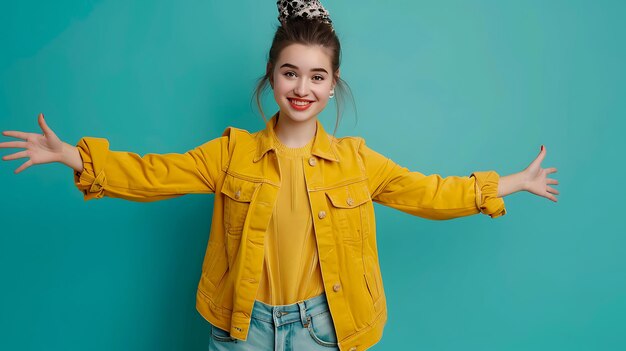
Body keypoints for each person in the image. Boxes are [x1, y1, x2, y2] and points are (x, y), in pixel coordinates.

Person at [0, 1, 559, 350]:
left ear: (333, 84)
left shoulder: (358, 162)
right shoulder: (232, 153)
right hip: (242, 325)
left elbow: (431, 193)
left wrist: (507, 183)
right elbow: (154, 174)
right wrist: (77, 157)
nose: (302, 87)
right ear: (271, 76)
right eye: (290, 72)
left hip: (323, 325)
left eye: (317, 76)